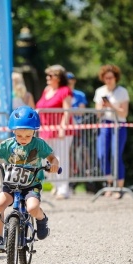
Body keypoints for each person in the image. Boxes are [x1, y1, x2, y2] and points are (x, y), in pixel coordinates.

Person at [0, 106, 60, 249]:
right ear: (13, 131)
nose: (23, 139)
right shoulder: (8, 144)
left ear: (34, 132)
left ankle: (42, 219)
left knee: (33, 208)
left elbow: (53, 158)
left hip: (31, 184)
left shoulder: (39, 144)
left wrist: (54, 164)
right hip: (11, 184)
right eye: (20, 136)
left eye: (28, 136)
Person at [36, 64, 73, 200]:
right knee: (47, 159)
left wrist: (63, 127)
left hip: (60, 131)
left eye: (50, 75)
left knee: (61, 158)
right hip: (46, 130)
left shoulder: (65, 90)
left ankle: (63, 189)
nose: (48, 77)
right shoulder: (47, 90)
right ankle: (55, 185)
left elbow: (67, 110)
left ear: (58, 77)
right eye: (47, 75)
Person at [93, 64, 129, 199]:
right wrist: (102, 108)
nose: (108, 80)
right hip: (104, 124)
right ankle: (108, 184)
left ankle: (119, 187)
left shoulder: (122, 91)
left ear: (115, 78)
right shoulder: (100, 91)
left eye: (111, 77)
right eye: (106, 77)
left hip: (118, 124)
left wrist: (111, 106)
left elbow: (124, 112)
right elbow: (97, 114)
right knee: (102, 154)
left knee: (116, 155)